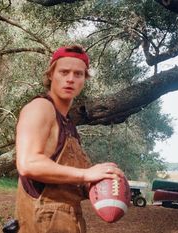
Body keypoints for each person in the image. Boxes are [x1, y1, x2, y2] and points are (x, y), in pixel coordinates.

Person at [15, 45, 124, 233]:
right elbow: (28, 163)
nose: (70, 79)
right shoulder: (40, 108)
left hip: (68, 222)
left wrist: (101, 179)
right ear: (51, 75)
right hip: (41, 224)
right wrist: (85, 174)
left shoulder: (69, 124)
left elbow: (66, 183)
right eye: (64, 72)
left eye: (78, 74)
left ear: (84, 79)